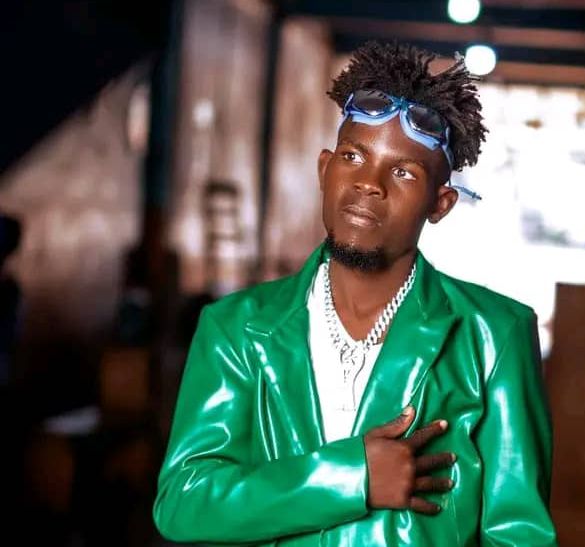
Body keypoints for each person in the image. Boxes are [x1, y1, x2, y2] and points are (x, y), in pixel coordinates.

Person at [153, 41, 557, 546]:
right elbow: (184, 503)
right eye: (353, 156)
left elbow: (520, 535)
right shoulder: (235, 329)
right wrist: (352, 477)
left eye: (403, 172)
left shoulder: (493, 336)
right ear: (325, 170)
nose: (370, 184)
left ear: (441, 203)